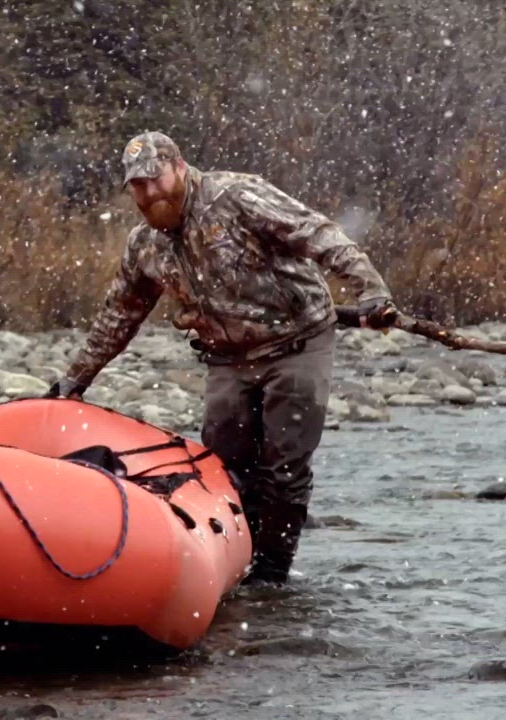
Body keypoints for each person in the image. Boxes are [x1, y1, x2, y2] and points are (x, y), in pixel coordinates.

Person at [46, 131, 396, 587]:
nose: (150, 193)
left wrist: (370, 288)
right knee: (224, 469)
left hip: (297, 342)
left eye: (155, 179)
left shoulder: (237, 197)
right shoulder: (144, 245)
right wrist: (76, 380)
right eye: (138, 186)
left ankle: (272, 574)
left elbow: (318, 234)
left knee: (283, 466)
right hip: (228, 357)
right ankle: (238, 560)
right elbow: (119, 315)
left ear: (179, 166)